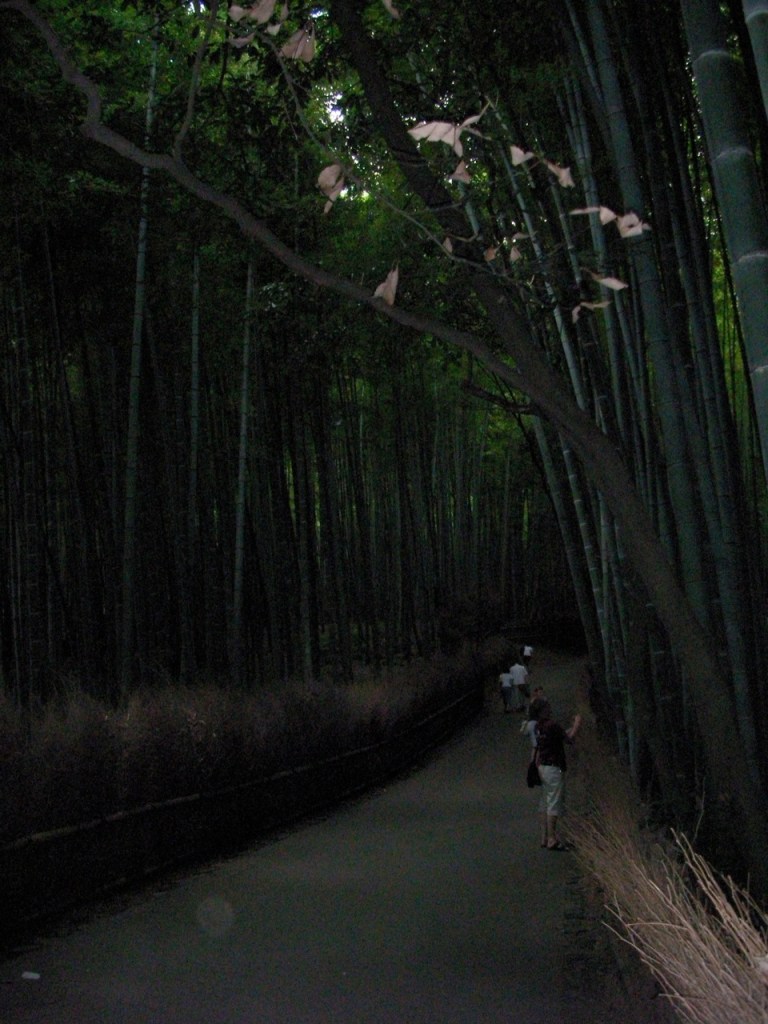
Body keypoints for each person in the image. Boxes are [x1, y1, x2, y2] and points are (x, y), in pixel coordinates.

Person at [534, 700, 581, 851]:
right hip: (554, 767)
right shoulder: (552, 725)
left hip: (542, 766)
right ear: (543, 710)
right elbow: (569, 738)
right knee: (554, 803)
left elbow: (559, 736)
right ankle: (552, 839)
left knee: (545, 802)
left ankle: (544, 836)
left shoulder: (538, 726)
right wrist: (577, 724)